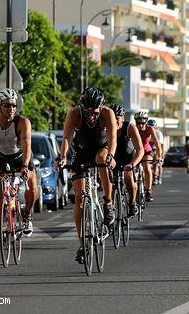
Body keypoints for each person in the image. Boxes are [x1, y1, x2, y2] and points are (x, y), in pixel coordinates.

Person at [58, 87, 118, 265]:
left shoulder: (108, 113)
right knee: (79, 198)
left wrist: (111, 156)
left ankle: (108, 202)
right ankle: (82, 244)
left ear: (101, 108)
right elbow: (67, 137)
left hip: (102, 149)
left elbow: (113, 138)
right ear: (82, 108)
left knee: (102, 158)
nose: (91, 116)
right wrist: (62, 157)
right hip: (82, 151)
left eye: (95, 112)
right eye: (88, 112)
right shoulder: (75, 113)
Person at [0, 89, 38, 243]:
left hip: (21, 157)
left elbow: (26, 143)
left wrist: (24, 166)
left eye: (14, 105)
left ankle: (27, 215)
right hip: (2, 158)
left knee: (32, 185)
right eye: (7, 106)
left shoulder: (23, 122)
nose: (11, 109)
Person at [111, 105, 145, 217]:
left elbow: (140, 150)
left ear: (123, 117)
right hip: (114, 158)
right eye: (112, 118)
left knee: (128, 176)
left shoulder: (130, 127)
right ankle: (110, 207)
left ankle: (132, 202)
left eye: (117, 118)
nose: (114, 121)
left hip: (128, 158)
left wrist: (133, 164)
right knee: (108, 179)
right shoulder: (107, 127)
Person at [132, 110, 158, 202]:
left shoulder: (150, 129)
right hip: (136, 152)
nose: (141, 125)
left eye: (143, 123)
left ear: (146, 121)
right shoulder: (132, 128)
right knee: (133, 173)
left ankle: (148, 191)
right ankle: (133, 195)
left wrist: (159, 157)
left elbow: (158, 144)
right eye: (138, 123)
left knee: (147, 167)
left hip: (147, 152)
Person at [150, 119, 165, 186]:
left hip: (158, 150)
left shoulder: (158, 133)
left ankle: (158, 178)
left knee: (158, 164)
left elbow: (161, 145)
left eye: (153, 127)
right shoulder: (147, 132)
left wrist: (161, 154)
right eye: (150, 126)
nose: (151, 128)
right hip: (150, 150)